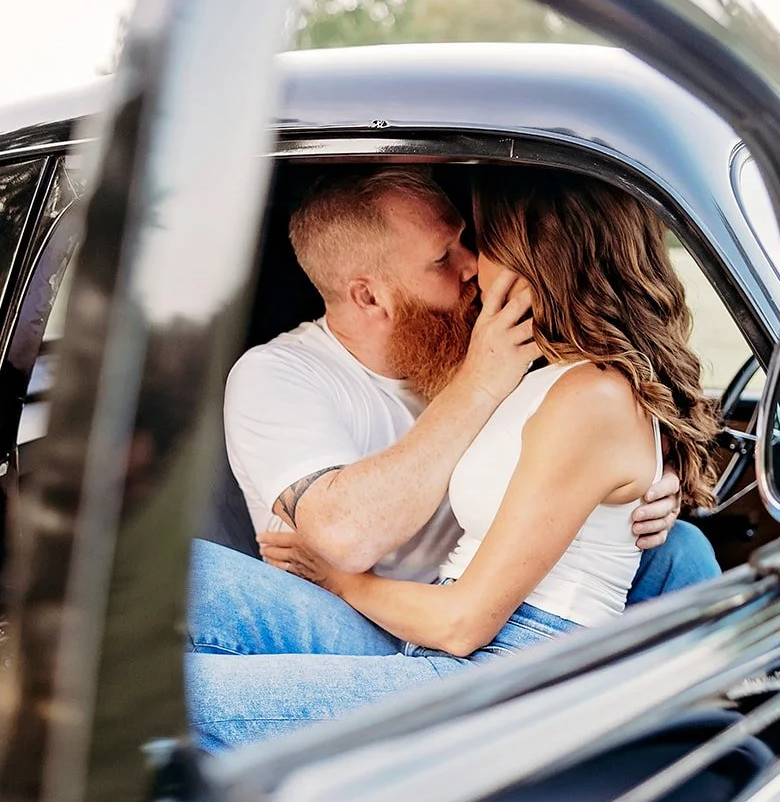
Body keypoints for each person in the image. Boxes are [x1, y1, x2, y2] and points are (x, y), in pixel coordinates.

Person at [187, 169, 722, 749]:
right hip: (381, 618)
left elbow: (595, 417)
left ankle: (699, 739)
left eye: (472, 241)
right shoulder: (283, 374)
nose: (469, 266)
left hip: (467, 627)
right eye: (443, 258)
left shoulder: (502, 345)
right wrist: (480, 383)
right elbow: (342, 538)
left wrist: (649, 482)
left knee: (681, 549)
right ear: (370, 294)